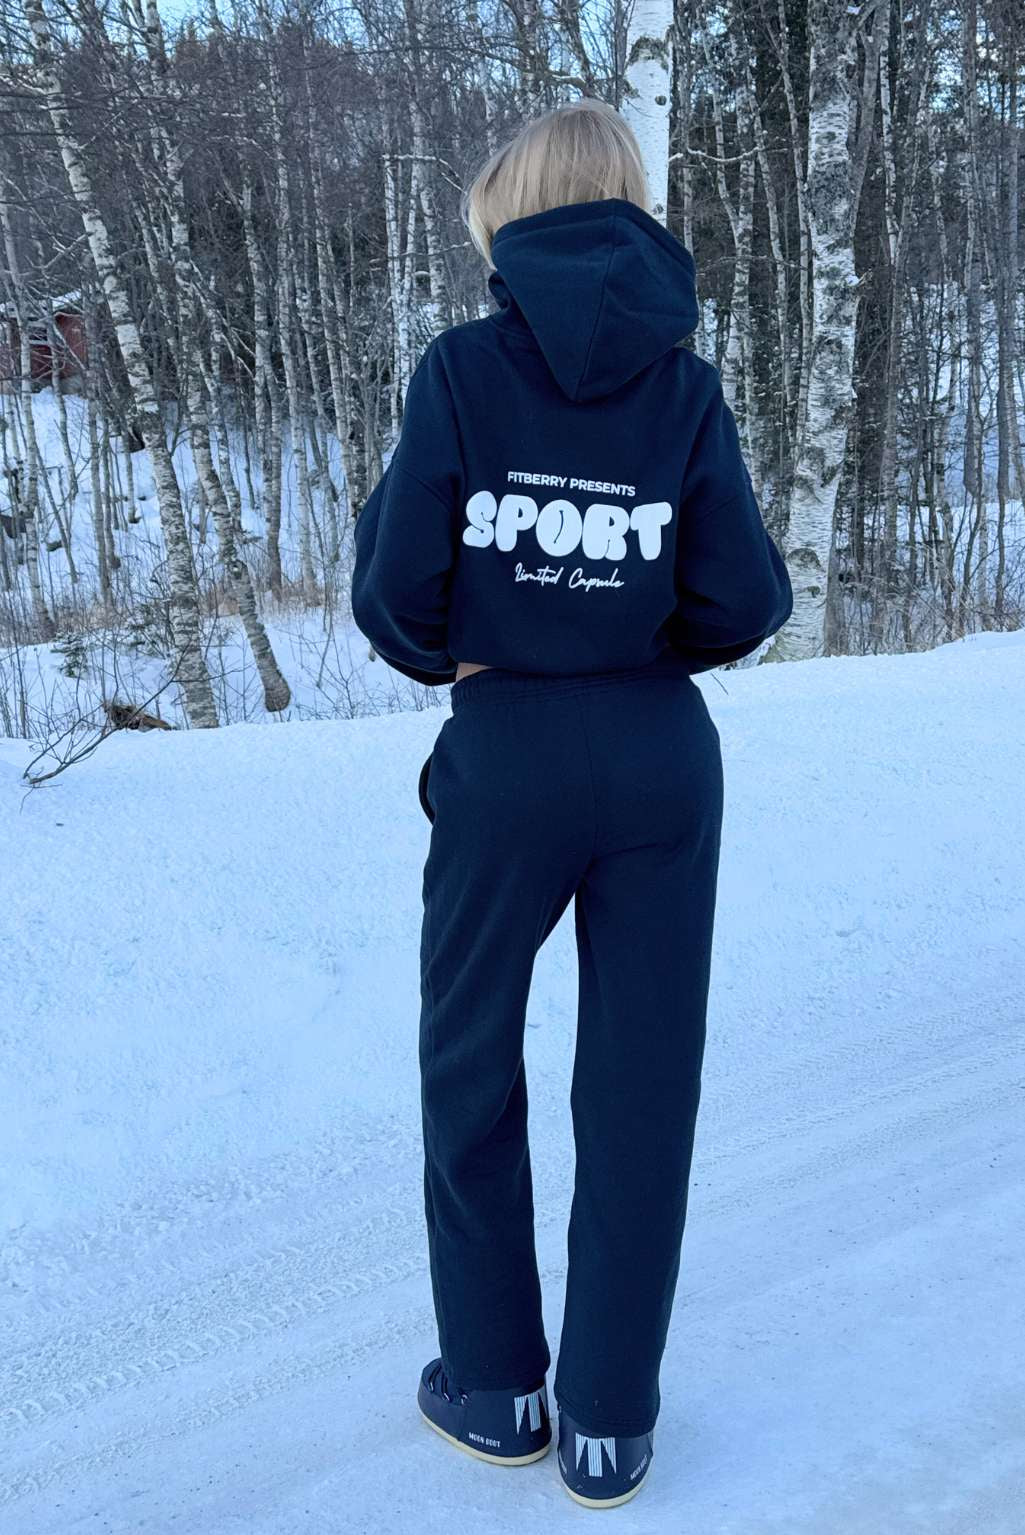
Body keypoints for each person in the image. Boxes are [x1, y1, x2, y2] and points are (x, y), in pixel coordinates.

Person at [351, 97, 792, 1509]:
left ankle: (495, 1390)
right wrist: (638, 649)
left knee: (470, 1059)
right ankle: (609, 1421)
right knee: (642, 1083)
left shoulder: (461, 371)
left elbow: (392, 591)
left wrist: (478, 654)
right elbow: (747, 598)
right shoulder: (686, 386)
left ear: (510, 213)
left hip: (508, 754)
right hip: (660, 757)